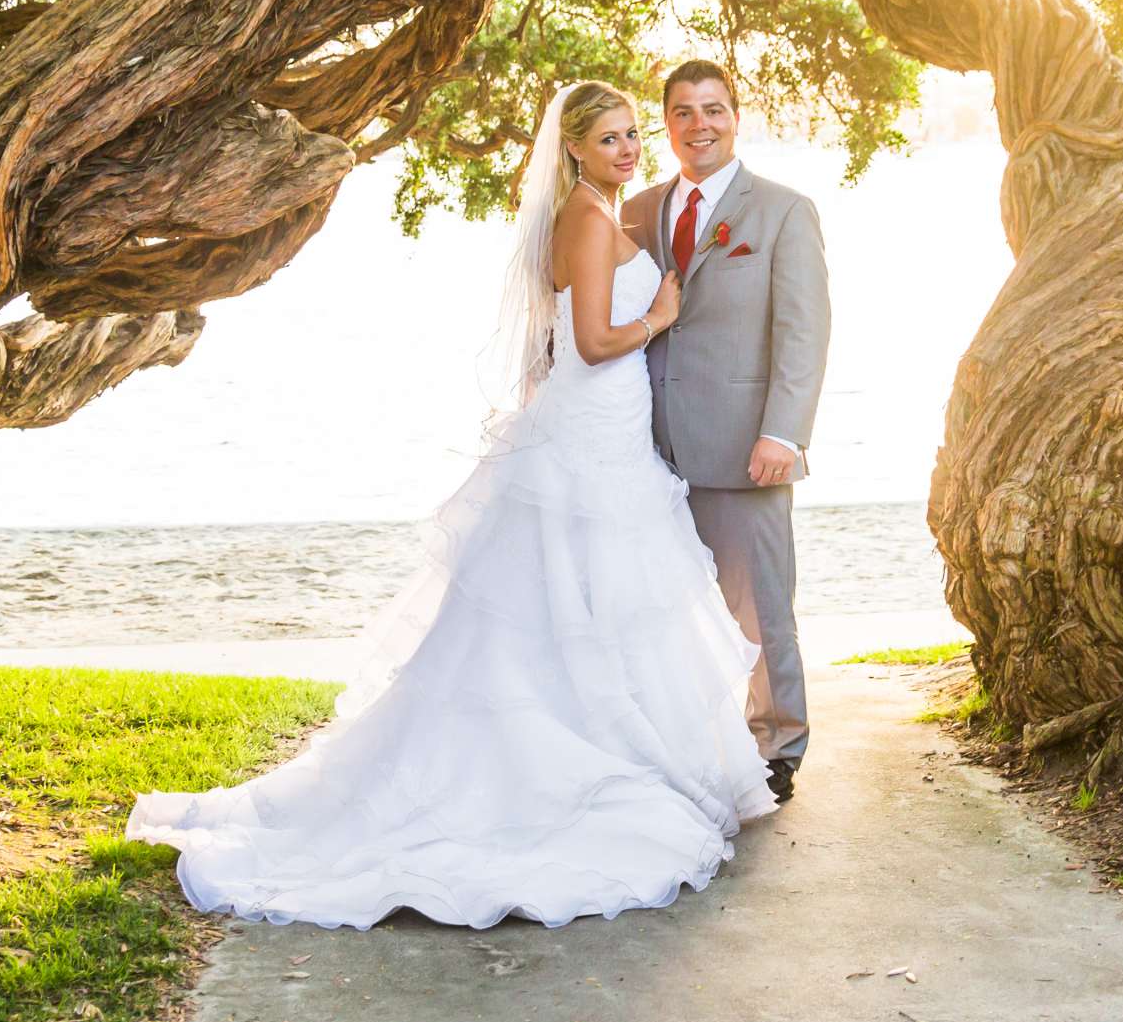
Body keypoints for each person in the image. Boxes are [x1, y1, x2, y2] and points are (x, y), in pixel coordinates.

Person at [125, 80, 777, 930]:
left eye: (630, 137)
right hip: (592, 429)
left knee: (594, 599)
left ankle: (617, 742)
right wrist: (658, 313)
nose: (628, 151)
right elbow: (589, 342)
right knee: (585, 595)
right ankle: (571, 762)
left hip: (605, 431)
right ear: (574, 147)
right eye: (611, 138)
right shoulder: (585, 219)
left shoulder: (594, 214)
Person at [622, 60, 832, 804]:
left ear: (736, 117)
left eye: (713, 109)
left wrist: (785, 432)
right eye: (683, 112)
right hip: (644, 450)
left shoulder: (781, 211)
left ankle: (778, 744)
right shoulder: (637, 210)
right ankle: (687, 744)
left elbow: (803, 333)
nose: (699, 125)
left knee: (758, 606)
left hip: (747, 448)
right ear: (667, 124)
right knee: (657, 607)